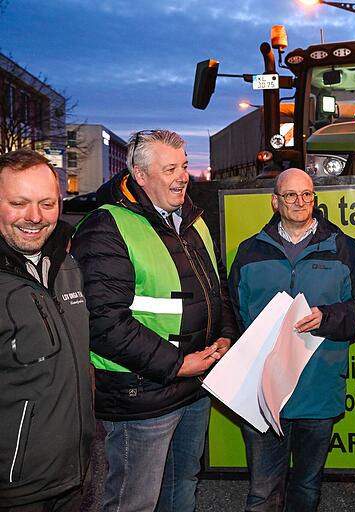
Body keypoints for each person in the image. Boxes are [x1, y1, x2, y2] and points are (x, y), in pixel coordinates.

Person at [71, 130, 237, 511]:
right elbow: (103, 322)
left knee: (182, 487)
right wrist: (177, 364)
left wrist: (225, 335)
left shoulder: (191, 219)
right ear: (141, 175)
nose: (183, 176)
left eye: (183, 166)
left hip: (194, 385)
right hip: (141, 397)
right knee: (134, 500)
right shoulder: (106, 227)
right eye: (170, 169)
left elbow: (217, 287)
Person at [228, 168, 355, 512]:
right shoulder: (249, 251)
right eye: (290, 195)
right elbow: (231, 314)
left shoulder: (343, 248)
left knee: (307, 488)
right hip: (263, 391)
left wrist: (328, 317)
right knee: (262, 491)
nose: (300, 201)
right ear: (274, 202)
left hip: (318, 388)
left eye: (307, 194)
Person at [0, 149, 94, 511]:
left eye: (46, 203)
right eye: (19, 203)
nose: (35, 217)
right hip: (15, 489)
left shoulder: (66, 264)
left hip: (72, 476)